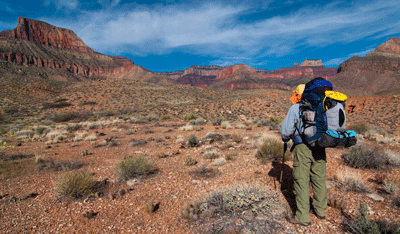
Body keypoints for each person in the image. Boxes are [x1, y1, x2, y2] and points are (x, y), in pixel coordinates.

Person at [280, 84, 327, 226]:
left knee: (301, 180)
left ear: (298, 95)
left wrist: (285, 138)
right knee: (319, 178)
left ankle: (302, 216)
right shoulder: (322, 106)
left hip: (302, 147)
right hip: (320, 146)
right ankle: (320, 211)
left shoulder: (296, 108)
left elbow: (286, 130)